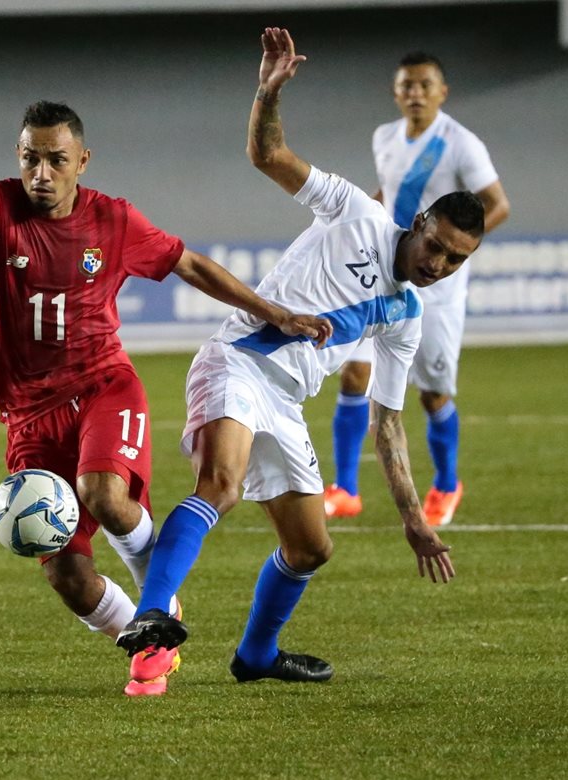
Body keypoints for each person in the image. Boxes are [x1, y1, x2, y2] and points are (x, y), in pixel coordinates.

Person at [0, 100, 329, 697]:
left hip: (103, 385)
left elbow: (189, 264)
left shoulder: (112, 220)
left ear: (81, 161)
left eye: (56, 160)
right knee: (66, 574)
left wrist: (274, 313)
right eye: (31, 158)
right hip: (27, 413)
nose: (41, 173)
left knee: (103, 493)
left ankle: (157, 612)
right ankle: (140, 636)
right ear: (18, 156)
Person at [114, 28, 484, 692]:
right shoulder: (356, 213)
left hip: (285, 403)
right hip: (236, 362)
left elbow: (389, 423)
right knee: (220, 487)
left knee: (311, 547)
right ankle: (149, 619)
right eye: (438, 246)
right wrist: (268, 90)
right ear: (420, 219)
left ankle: (256, 655)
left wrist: (413, 520)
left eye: (455, 260)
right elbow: (268, 154)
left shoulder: (407, 315)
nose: (439, 264)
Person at [324, 51, 510, 527]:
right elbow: (388, 193)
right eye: (407, 85)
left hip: (438, 290)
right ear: (395, 92)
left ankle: (447, 484)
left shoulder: (460, 144)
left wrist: (451, 255)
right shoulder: (384, 137)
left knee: (432, 394)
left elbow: (497, 203)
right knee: (354, 376)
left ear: (442, 92)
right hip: (386, 272)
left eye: (425, 85)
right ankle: (346, 489)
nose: (415, 93)